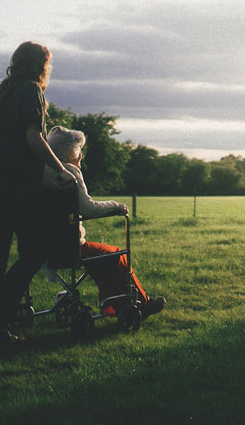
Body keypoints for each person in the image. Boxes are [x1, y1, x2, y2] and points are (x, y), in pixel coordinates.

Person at [0, 41, 76, 345]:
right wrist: (61, 168)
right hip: (15, 191)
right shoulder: (31, 91)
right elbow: (34, 138)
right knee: (34, 252)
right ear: (41, 65)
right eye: (49, 63)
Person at [42, 126, 165, 320]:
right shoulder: (69, 172)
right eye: (79, 150)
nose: (81, 156)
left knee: (102, 257)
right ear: (69, 151)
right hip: (69, 246)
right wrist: (116, 206)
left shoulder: (43, 172)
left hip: (44, 245)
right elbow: (88, 209)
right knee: (115, 255)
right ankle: (138, 304)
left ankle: (118, 304)